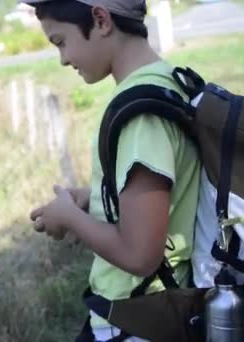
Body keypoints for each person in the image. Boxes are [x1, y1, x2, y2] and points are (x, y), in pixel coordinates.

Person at [23, 0, 201, 340]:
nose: (63, 59)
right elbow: (167, 200)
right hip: (147, 310)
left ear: (101, 20)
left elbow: (140, 255)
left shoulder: (140, 114)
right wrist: (92, 200)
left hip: (137, 318)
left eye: (61, 42)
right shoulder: (168, 80)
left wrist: (71, 218)